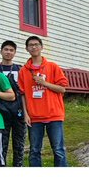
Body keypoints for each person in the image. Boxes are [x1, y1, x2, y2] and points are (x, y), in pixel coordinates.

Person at [18, 35, 68, 167]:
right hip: (34, 117)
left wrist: (45, 83)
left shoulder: (53, 67)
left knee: (58, 150)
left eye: (36, 44)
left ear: (41, 47)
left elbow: (62, 89)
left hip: (54, 114)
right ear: (27, 49)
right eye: (30, 45)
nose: (34, 47)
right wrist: (26, 114)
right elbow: (22, 94)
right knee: (34, 150)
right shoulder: (23, 71)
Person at [0, 40, 26, 167]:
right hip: (1, 112)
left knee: (19, 144)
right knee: (2, 144)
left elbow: (25, 91)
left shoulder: (20, 69)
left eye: (11, 50)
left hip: (19, 111)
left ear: (15, 53)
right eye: (6, 49)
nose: (8, 52)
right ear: (1, 51)